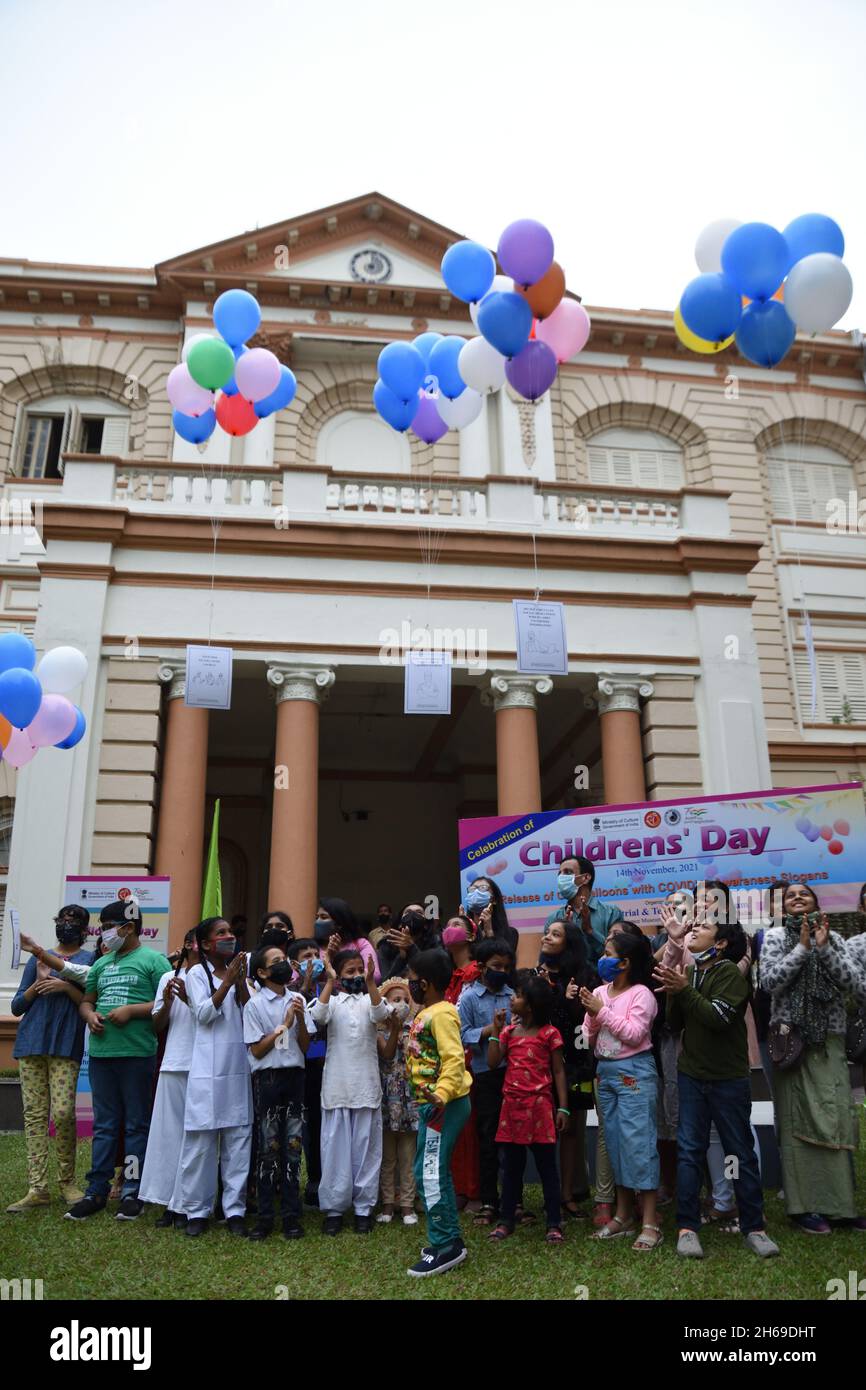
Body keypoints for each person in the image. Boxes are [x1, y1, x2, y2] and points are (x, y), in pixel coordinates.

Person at [655, 882, 779, 1259]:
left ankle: (753, 1226)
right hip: (692, 1076)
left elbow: (718, 1017)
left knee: (739, 1150)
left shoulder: (728, 973)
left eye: (701, 928)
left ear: (721, 942)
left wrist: (684, 991)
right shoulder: (688, 975)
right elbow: (675, 1023)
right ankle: (688, 1227)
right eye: (690, 928)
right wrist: (677, 975)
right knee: (690, 1151)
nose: (692, 930)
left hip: (728, 1079)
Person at [760, 880, 861, 1235]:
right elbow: (769, 982)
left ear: (817, 903)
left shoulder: (835, 939)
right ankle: (803, 1208)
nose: (797, 897)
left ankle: (841, 1207)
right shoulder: (773, 938)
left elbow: (856, 985)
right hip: (792, 1042)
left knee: (836, 1117)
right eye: (791, 896)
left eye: (804, 893)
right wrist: (802, 949)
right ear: (783, 907)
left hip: (829, 1040)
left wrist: (824, 948)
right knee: (797, 1122)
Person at [65, 901, 171, 1221]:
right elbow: (86, 1001)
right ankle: (96, 1190)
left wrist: (133, 1011)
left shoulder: (154, 961)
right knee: (105, 1125)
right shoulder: (101, 964)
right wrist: (89, 1015)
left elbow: (167, 1001)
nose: (103, 932)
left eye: (109, 926)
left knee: (136, 1124)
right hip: (101, 1054)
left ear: (128, 927)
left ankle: (132, 1190)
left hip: (138, 1053)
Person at [9, 907, 93, 1212]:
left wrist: (65, 986)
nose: (67, 926)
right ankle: (38, 1188)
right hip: (31, 1043)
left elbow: (89, 999)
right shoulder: (38, 958)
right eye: (62, 921)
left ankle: (67, 1182)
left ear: (85, 929)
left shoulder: (89, 960)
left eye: (73, 922)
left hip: (64, 1044)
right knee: (34, 1115)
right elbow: (18, 1006)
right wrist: (37, 983)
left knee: (62, 1112)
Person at [582, 931, 662, 1251]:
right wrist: (591, 1014)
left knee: (638, 1143)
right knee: (614, 1142)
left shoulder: (642, 994)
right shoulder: (601, 991)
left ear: (625, 962)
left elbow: (633, 1033)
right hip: (606, 1073)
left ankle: (651, 1221)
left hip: (635, 1074)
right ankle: (623, 1214)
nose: (602, 959)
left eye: (608, 953)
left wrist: (600, 1011)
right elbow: (590, 1037)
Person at [178, 917, 252, 1237]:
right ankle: (197, 1210)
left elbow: (252, 1013)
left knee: (238, 1141)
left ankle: (234, 1209)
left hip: (237, 1066)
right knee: (200, 1144)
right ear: (206, 944)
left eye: (230, 932)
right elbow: (204, 1014)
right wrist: (226, 983)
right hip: (207, 1070)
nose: (229, 937)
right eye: (220, 934)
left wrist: (240, 982)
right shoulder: (196, 973)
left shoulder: (240, 971)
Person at [310, 946, 391, 1234]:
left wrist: (370, 983)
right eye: (351, 971)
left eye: (361, 969)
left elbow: (382, 1013)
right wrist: (329, 981)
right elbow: (317, 1017)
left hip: (366, 1087)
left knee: (367, 1151)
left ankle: (363, 1209)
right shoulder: (332, 1001)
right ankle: (333, 1209)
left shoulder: (370, 1000)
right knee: (335, 1151)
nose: (357, 975)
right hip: (336, 1087)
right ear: (340, 976)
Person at [487, 971, 569, 1243]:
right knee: (510, 1167)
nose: (512, 999)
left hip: (540, 1108)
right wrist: (496, 1031)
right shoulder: (510, 1032)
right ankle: (506, 1219)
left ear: (531, 1006)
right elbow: (492, 1062)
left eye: (519, 995)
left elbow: (558, 1071)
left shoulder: (550, 1034)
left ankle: (554, 1222)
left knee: (547, 1167)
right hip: (512, 1108)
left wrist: (563, 1108)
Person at [405, 948, 472, 1277]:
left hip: (443, 1104)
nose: (409, 984)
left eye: (412, 980)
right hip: (431, 1106)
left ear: (426, 983)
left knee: (430, 1173)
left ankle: (446, 1245)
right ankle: (447, 1239)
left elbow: (454, 1058)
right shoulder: (428, 1010)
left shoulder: (442, 1013)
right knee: (428, 1169)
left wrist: (442, 1095)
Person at [243, 941, 313, 1241]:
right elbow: (257, 1050)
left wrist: (298, 1019)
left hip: (295, 1077)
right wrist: (283, 1025)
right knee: (268, 1148)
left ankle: (291, 1216)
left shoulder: (297, 998)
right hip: (268, 1080)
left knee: (293, 1148)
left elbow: (306, 1046)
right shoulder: (254, 1005)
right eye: (277, 961)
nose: (284, 964)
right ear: (261, 972)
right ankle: (265, 1217)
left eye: (285, 959)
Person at [138, 928, 199, 1229]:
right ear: (187, 945)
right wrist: (167, 1000)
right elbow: (157, 1025)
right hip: (174, 1062)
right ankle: (170, 1202)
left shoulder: (218, 979)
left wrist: (188, 998)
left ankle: (189, 1202)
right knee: (170, 1136)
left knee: (196, 1138)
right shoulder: (168, 977)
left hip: (204, 1066)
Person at [536, 917, 593, 1218]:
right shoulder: (537, 975)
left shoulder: (585, 976)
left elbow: (586, 1019)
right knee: (545, 1131)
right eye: (547, 933)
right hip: (540, 1065)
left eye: (555, 934)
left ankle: (568, 1194)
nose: (547, 937)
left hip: (575, 1064)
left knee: (570, 1130)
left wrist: (571, 1001)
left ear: (568, 943)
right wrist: (555, 995)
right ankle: (549, 1194)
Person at [457, 937, 514, 1224]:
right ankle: (490, 1200)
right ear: (480, 968)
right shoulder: (468, 998)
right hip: (483, 1075)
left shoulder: (512, 996)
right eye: (495, 966)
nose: (501, 971)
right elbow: (461, 1033)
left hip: (512, 1074)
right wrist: (490, 1030)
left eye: (506, 966)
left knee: (512, 1140)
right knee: (488, 1137)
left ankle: (513, 1201)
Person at [442, 914, 482, 1212]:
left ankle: (475, 1189)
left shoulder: (477, 972)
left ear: (471, 935)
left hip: (475, 1057)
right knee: (455, 1125)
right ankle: (458, 1187)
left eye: (457, 926)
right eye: (447, 925)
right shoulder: (449, 975)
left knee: (473, 1127)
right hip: (450, 1060)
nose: (449, 931)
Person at [376, 976, 419, 1225]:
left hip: (410, 1098)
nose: (401, 1003)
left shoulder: (415, 1029)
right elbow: (388, 1053)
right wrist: (393, 1028)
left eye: (405, 999)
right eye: (396, 999)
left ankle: (408, 1205)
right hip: (386, 1099)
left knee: (408, 1155)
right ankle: (388, 1204)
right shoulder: (379, 1030)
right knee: (388, 1156)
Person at [288, 937, 327, 1207]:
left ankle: (317, 1181)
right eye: (306, 956)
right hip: (294, 1067)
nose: (313, 959)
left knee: (317, 1126)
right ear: (294, 963)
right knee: (293, 1127)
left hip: (321, 1067)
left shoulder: (329, 989)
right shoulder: (288, 990)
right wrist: (305, 986)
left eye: (316, 954)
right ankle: (285, 1183)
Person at [544, 856, 623, 969]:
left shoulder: (611, 912)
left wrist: (590, 931)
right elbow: (549, 959)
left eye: (567, 872)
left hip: (603, 981)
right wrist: (565, 937)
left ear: (585, 878)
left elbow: (618, 956)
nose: (561, 877)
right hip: (568, 982)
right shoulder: (555, 918)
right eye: (559, 873)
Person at [316, 897, 379, 981]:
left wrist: (339, 957)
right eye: (317, 917)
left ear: (339, 923)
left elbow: (375, 976)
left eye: (323, 917)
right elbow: (300, 979)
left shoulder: (361, 944)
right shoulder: (313, 948)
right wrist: (328, 959)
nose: (317, 921)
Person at [376, 903, 442, 980]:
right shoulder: (386, 944)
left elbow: (435, 976)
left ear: (425, 924)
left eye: (419, 913)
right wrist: (402, 957)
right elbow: (386, 983)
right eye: (407, 912)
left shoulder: (435, 942)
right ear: (400, 924)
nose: (412, 915)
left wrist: (412, 948)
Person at [462, 876, 518, 955]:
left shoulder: (510, 934)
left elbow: (501, 960)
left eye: (483, 888)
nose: (476, 893)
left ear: (494, 899)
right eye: (472, 889)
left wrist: (489, 932)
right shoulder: (466, 932)